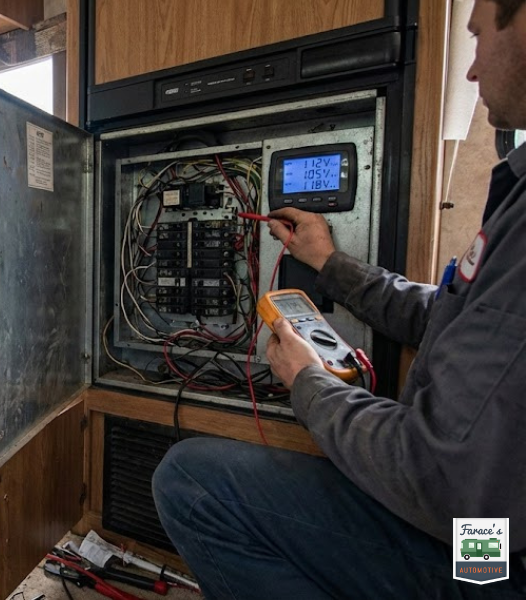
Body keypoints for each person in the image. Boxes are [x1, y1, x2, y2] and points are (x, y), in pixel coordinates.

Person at [152, 0, 526, 597]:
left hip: (490, 558)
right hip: (490, 528)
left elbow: (441, 480)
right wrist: (329, 262)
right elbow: (448, 316)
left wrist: (310, 383)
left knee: (189, 482)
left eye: (479, 38)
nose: (473, 70)